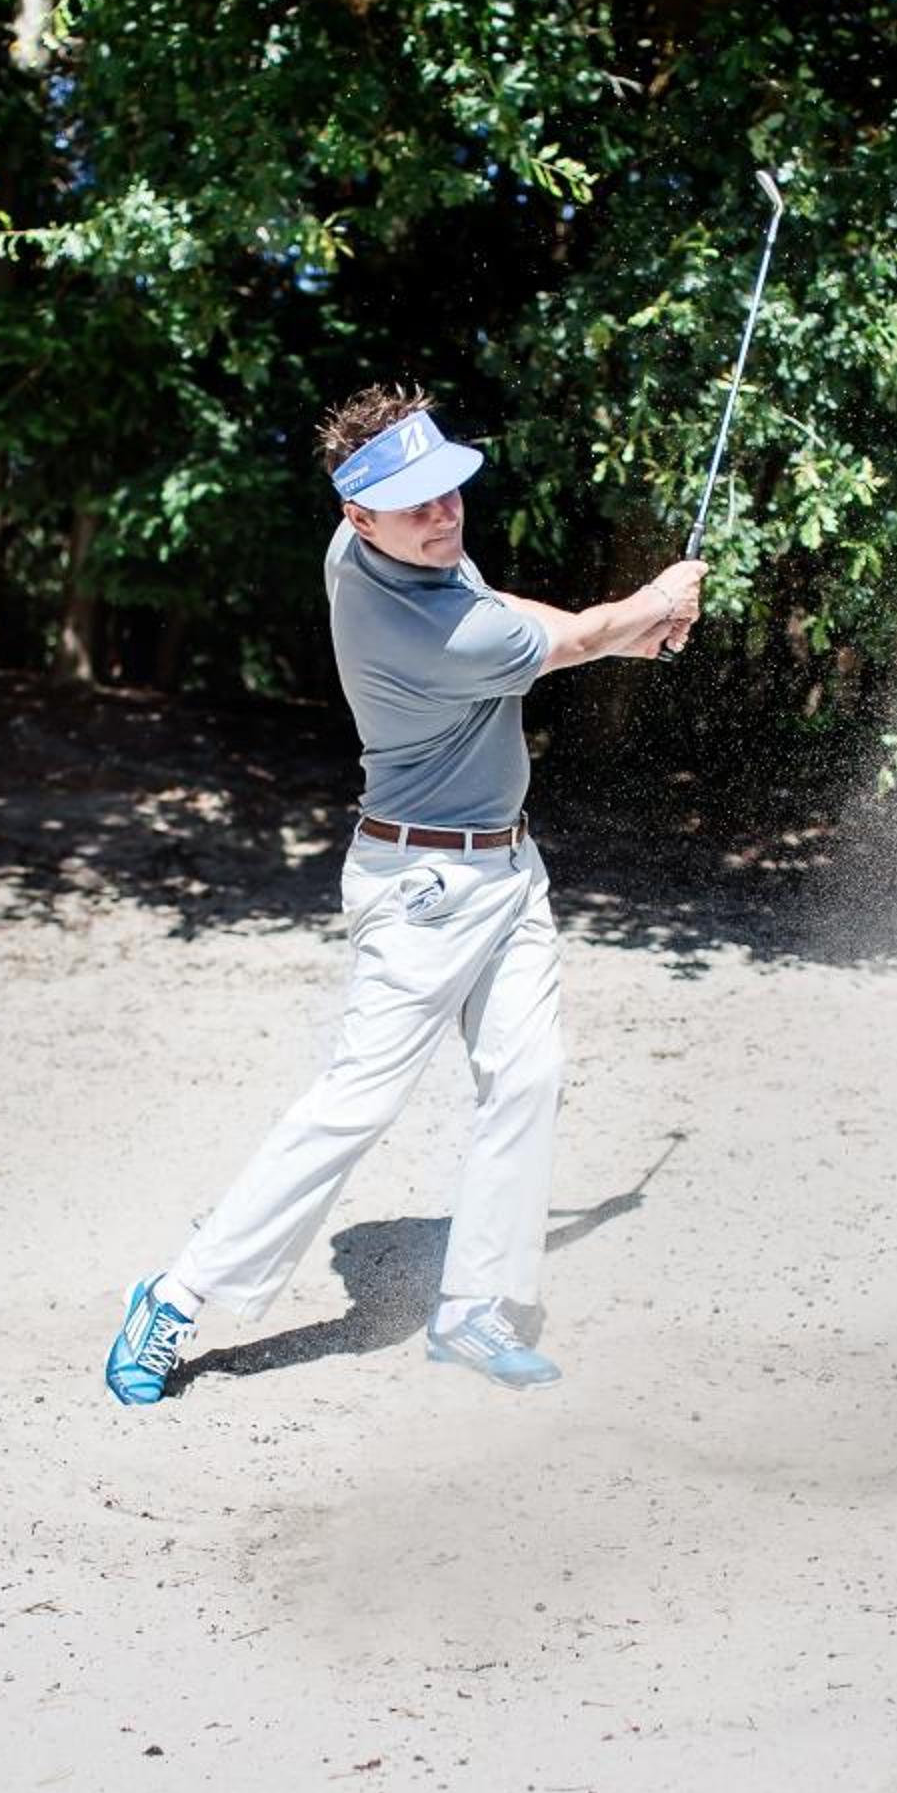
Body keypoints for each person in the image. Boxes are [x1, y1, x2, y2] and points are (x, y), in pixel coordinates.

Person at [104, 383, 703, 1405]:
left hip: (508, 868)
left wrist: (616, 627)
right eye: (416, 505)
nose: (443, 516)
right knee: (357, 1101)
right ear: (360, 515)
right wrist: (654, 602)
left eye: (449, 491)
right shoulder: (425, 632)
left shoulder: (373, 549)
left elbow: (503, 604)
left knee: (528, 1076)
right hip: (424, 888)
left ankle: (474, 1309)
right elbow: (557, 641)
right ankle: (176, 1293)